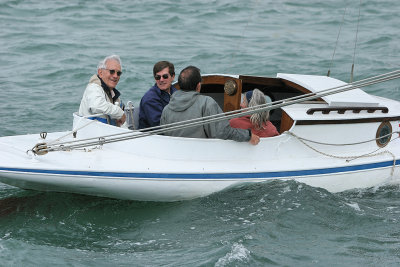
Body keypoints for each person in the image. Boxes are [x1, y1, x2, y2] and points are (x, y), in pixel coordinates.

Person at [160, 66, 260, 145]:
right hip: (203, 157)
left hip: (176, 158)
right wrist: (248, 136)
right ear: (198, 86)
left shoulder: (166, 109)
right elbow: (223, 132)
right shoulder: (207, 103)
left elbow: (163, 136)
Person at [78, 55, 126, 126]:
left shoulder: (113, 96)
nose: (115, 76)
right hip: (90, 135)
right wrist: (120, 113)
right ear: (100, 73)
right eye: (112, 71)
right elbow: (96, 105)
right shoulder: (93, 88)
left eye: (118, 73)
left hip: (106, 134)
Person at [138, 61, 177, 129]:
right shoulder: (150, 99)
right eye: (158, 77)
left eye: (165, 76)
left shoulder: (176, 92)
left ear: (173, 76)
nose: (161, 80)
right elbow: (159, 127)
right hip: (152, 137)